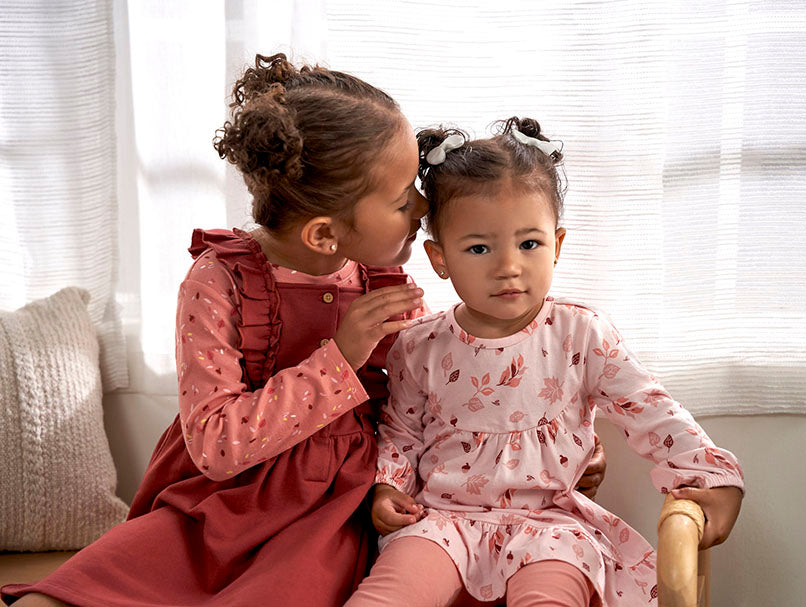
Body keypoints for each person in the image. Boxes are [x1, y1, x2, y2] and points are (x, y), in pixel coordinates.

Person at [1, 55, 605, 607]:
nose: (422, 208)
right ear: (324, 234)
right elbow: (214, 444)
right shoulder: (218, 281)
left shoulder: (381, 275)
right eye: (401, 199)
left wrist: (553, 441)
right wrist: (339, 356)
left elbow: (439, 392)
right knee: (63, 595)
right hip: (214, 507)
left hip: (333, 509)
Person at [344, 118, 745, 607]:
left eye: (529, 243)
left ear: (556, 245)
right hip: (441, 523)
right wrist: (388, 489)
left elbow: (652, 411)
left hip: (551, 527)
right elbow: (401, 434)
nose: (508, 265)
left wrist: (713, 477)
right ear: (439, 257)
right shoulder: (418, 344)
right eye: (479, 248)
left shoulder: (581, 334)